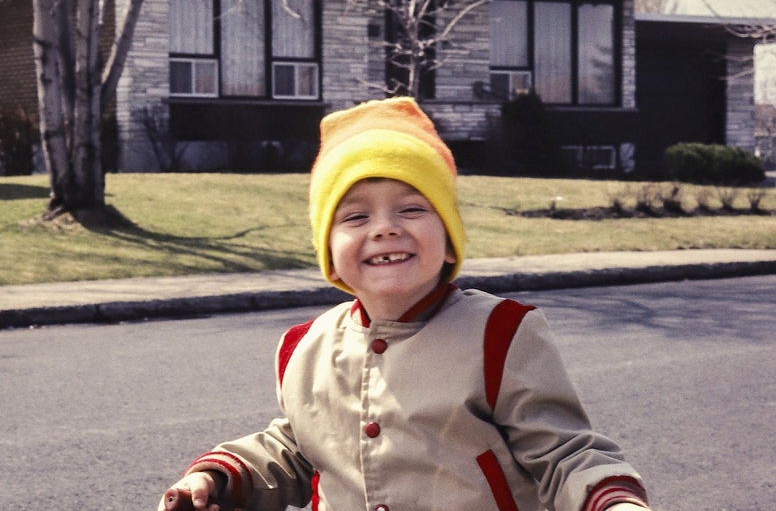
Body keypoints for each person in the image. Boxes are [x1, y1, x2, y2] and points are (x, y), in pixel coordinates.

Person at [158, 97, 651, 511]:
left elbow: (563, 452)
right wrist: (215, 478)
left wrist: (614, 501)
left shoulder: (500, 333)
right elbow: (298, 448)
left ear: (451, 239)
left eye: (412, 208)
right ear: (327, 251)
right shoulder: (303, 347)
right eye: (354, 216)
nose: (384, 227)